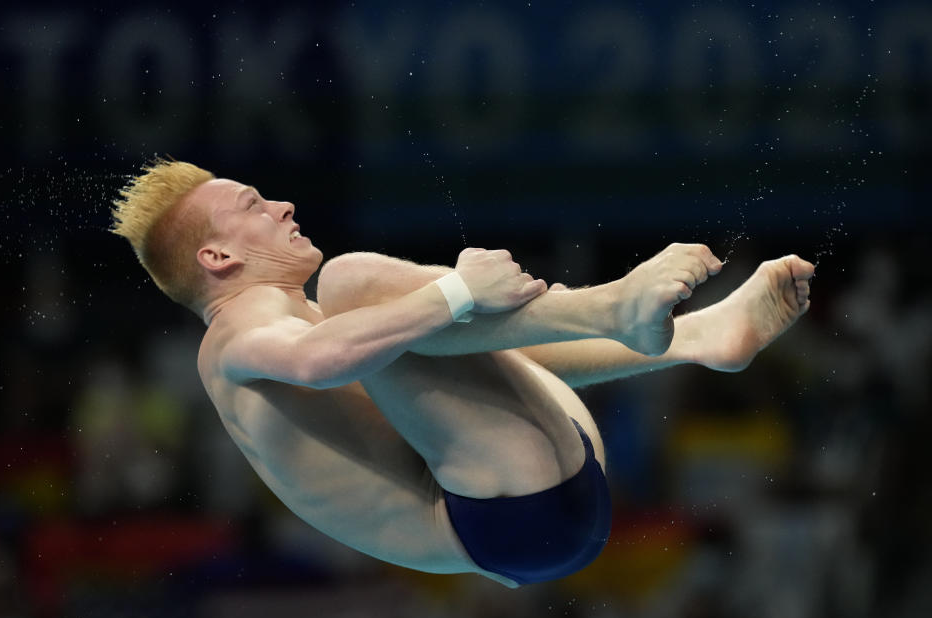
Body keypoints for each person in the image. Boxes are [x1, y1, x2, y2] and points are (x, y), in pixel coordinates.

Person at [111, 159, 814, 588]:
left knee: (421, 334)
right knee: (357, 284)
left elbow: (476, 357)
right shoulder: (236, 331)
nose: (283, 206)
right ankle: (619, 307)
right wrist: (457, 291)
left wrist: (450, 311)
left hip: (534, 502)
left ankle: (691, 335)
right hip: (508, 512)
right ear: (216, 259)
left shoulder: (303, 318)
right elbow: (316, 362)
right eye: (254, 208)